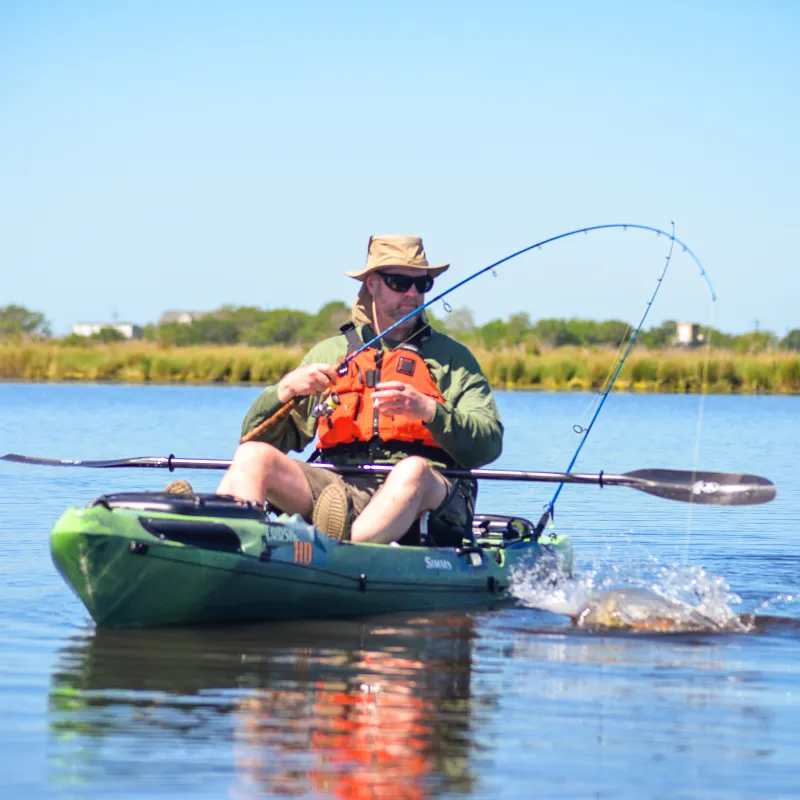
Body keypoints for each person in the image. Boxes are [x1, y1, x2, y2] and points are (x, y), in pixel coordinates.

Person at [215, 234, 503, 545]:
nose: (412, 293)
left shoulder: (453, 359)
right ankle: (223, 546)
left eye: (422, 284)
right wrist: (284, 390)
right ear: (372, 284)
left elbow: (488, 444)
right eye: (399, 282)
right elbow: (255, 439)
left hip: (427, 493)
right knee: (253, 457)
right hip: (338, 487)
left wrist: (429, 410)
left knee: (413, 470)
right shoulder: (329, 353)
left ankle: (343, 549)